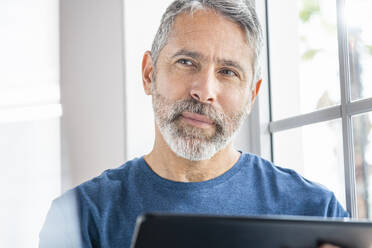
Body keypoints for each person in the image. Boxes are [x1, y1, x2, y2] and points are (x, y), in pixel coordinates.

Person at [39, 0, 349, 247]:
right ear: (149, 74)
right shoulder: (81, 217)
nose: (204, 91)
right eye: (186, 63)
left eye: (228, 72)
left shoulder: (317, 212)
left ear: (251, 95)